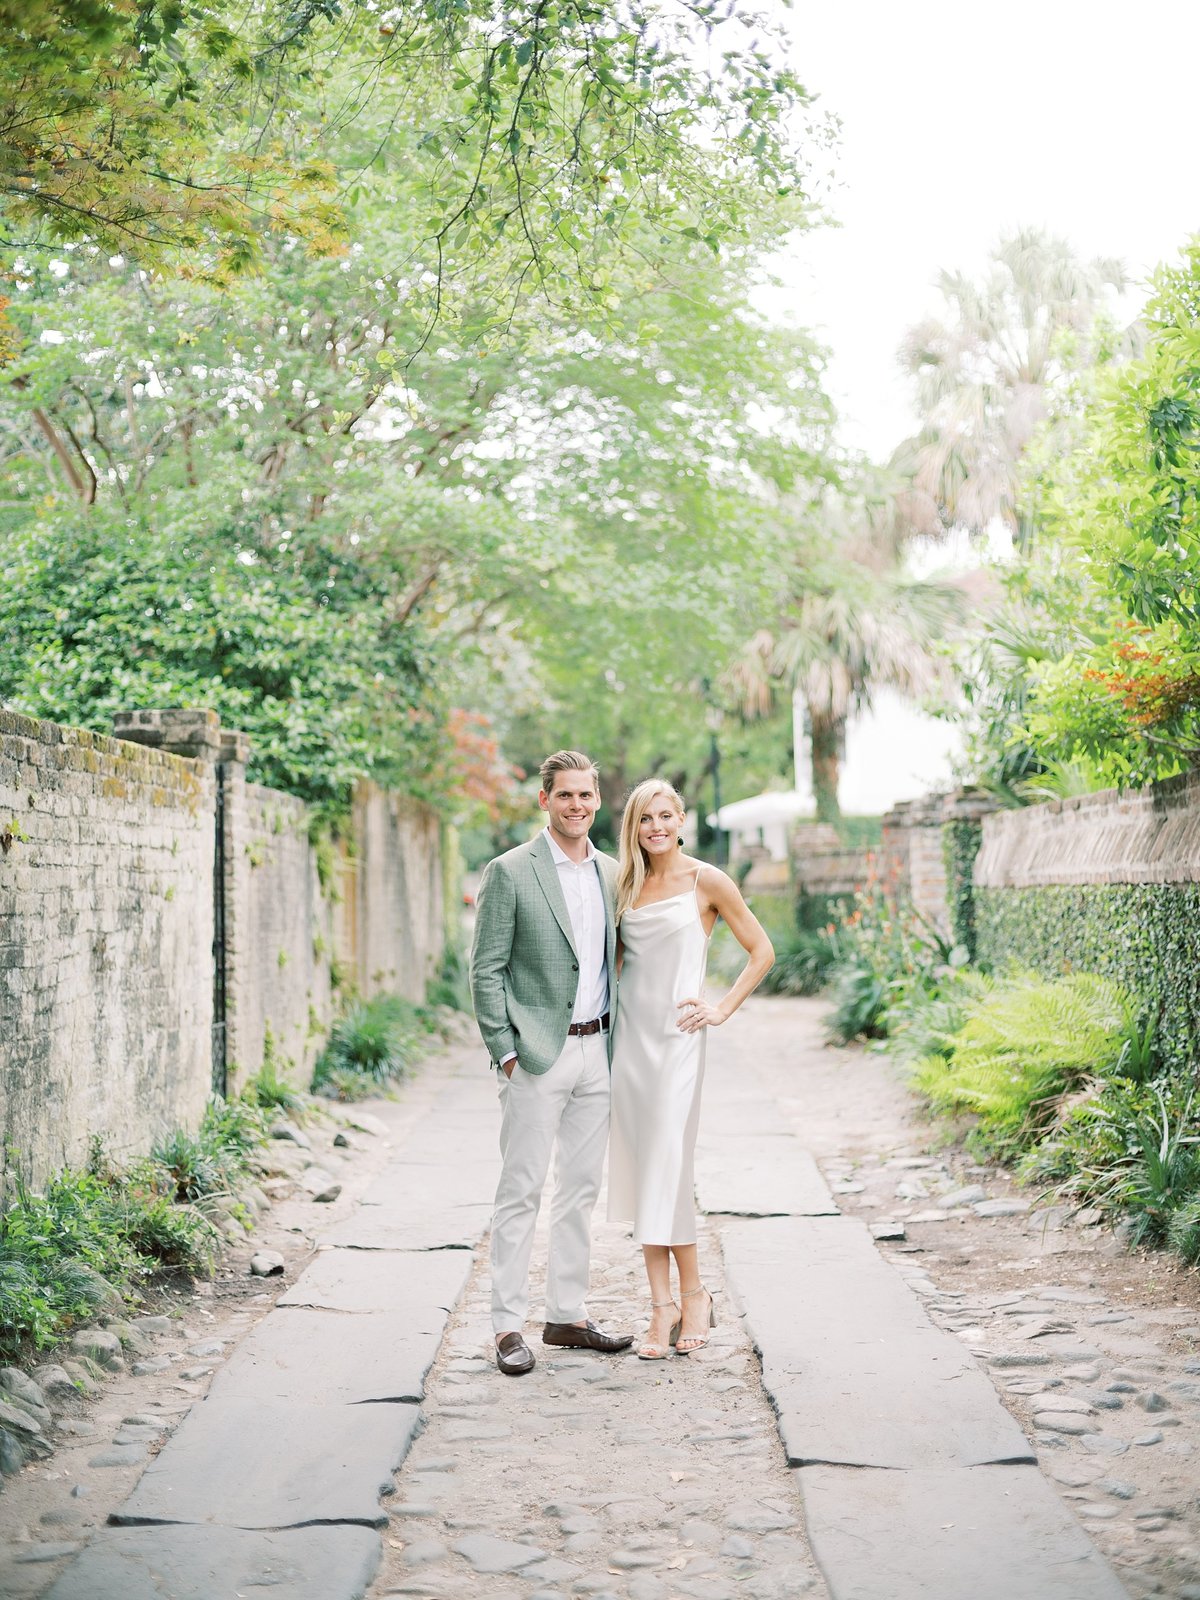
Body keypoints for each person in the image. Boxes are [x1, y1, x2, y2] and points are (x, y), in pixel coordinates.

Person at [469, 750, 635, 1376]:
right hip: (537, 1056)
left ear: (598, 800)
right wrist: (506, 1053)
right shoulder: (511, 872)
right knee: (521, 1191)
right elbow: (485, 969)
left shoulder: (616, 874)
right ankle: (507, 1327)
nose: (577, 807)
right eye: (564, 795)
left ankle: (567, 1314)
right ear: (545, 800)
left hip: (599, 1051)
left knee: (581, 1190)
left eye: (586, 796)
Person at [607, 780, 774, 1360]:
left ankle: (692, 1296)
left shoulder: (708, 881)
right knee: (645, 1167)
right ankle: (665, 1304)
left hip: (678, 1041)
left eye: (665, 815)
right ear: (634, 826)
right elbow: (615, 968)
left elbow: (762, 951)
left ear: (682, 819)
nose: (655, 826)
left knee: (668, 1164)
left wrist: (721, 1007)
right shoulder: (625, 885)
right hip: (629, 1043)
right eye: (644, 818)